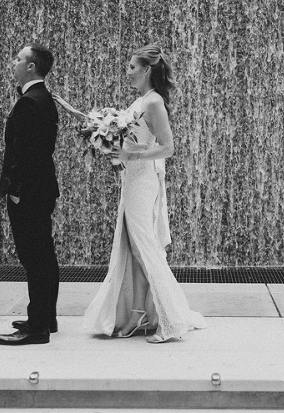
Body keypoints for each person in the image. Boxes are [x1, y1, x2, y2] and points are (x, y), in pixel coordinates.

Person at [54, 44, 205, 343]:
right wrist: (79, 116)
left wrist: (131, 156)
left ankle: (170, 320)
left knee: (144, 247)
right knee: (135, 248)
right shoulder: (141, 100)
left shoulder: (154, 102)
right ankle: (138, 314)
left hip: (143, 180)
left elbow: (168, 147)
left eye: (132, 67)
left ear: (147, 70)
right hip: (132, 179)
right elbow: (116, 132)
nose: (128, 72)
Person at [0, 44, 61, 346]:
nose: (14, 62)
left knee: (34, 258)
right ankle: (46, 318)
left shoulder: (29, 102)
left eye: (19, 58)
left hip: (29, 192)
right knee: (44, 256)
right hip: (41, 189)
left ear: (31, 66)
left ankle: (37, 328)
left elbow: (24, 153)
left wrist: (16, 192)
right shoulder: (43, 98)